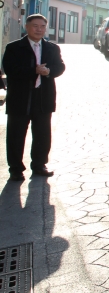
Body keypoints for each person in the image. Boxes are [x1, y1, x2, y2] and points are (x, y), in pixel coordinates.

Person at [2, 14, 65, 182]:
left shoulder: (52, 48)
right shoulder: (14, 47)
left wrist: (49, 71)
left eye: (42, 26)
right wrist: (34, 71)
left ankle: (39, 165)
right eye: (35, 26)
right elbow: (10, 69)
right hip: (20, 98)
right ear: (27, 27)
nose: (39, 29)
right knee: (16, 135)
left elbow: (60, 67)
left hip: (43, 97)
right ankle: (15, 169)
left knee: (42, 134)